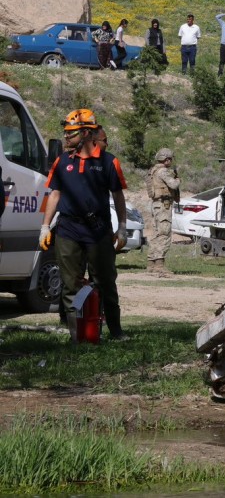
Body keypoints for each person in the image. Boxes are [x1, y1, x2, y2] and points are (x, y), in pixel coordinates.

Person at [39, 109, 130, 340]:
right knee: (70, 285)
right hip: (68, 229)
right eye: (66, 133)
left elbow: (118, 195)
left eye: (71, 133)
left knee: (105, 282)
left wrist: (121, 227)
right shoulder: (62, 161)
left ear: (87, 133)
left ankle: (115, 332)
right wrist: (45, 226)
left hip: (98, 230)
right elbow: (54, 195)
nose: (66, 137)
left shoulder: (109, 162)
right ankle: (76, 334)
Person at [145, 147, 180, 278]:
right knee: (164, 233)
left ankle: (151, 263)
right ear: (166, 160)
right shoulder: (163, 171)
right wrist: (178, 180)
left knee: (155, 233)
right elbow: (173, 185)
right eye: (170, 159)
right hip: (163, 205)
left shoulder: (153, 170)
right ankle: (159, 265)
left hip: (156, 205)